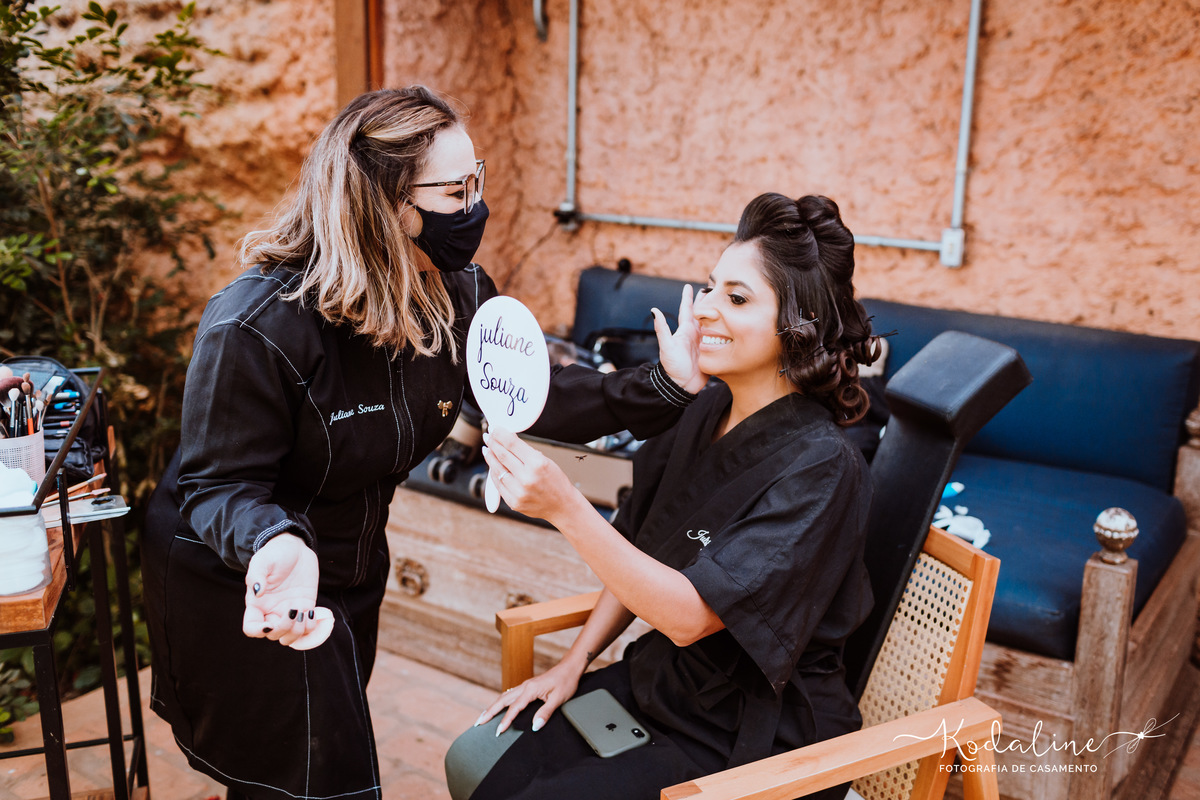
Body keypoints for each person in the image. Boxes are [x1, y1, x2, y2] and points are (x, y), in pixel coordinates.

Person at [141, 86, 705, 800]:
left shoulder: (457, 293)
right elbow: (219, 487)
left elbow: (532, 398)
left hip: (349, 568)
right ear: (386, 204)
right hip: (249, 578)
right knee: (308, 782)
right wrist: (275, 542)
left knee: (305, 775)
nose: (474, 206)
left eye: (479, 180)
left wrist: (663, 385)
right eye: (455, 189)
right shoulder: (256, 326)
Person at [450, 192, 881, 800]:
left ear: (797, 326)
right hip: (666, 686)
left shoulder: (824, 468)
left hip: (756, 734)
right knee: (488, 773)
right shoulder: (703, 410)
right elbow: (639, 544)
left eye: (736, 298)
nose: (704, 309)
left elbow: (686, 616)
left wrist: (567, 508)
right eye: (708, 287)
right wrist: (576, 661)